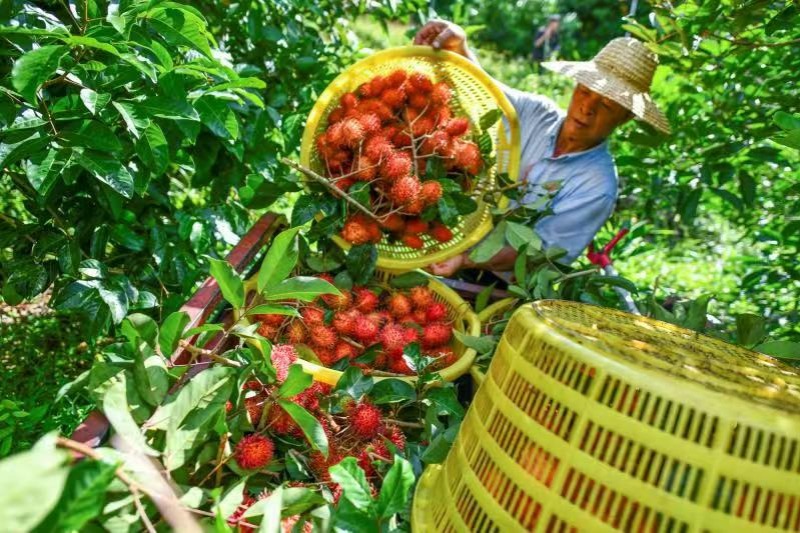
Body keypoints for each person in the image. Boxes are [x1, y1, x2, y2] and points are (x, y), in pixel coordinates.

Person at [412, 20, 671, 277]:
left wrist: (466, 260)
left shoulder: (598, 187)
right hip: (448, 237)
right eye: (584, 92)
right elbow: (489, 91)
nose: (587, 107)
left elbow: (539, 252)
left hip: (495, 283)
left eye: (606, 106)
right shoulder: (538, 113)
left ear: (625, 118)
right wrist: (459, 46)